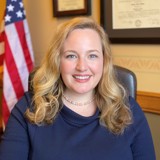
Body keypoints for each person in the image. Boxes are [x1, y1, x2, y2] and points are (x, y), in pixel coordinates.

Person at [0, 17, 155, 160]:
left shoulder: (128, 110)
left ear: (104, 61)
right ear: (57, 61)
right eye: (71, 56)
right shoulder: (28, 110)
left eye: (92, 56)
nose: (82, 67)